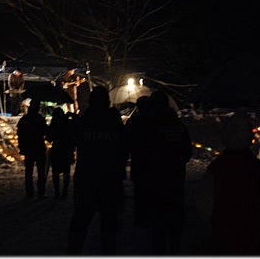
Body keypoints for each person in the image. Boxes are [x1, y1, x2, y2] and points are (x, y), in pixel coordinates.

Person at [126, 91, 192, 255]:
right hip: (175, 181)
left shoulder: (149, 127)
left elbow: (143, 152)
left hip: (156, 183)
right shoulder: (178, 125)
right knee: (175, 225)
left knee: (159, 228)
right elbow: (186, 152)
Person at [66, 86, 125, 254]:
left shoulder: (84, 121)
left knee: (81, 221)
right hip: (109, 180)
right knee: (109, 224)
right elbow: (124, 149)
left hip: (87, 179)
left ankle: (74, 252)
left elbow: (73, 141)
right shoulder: (114, 123)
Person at [206, 111, 260, 255]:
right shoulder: (258, 169)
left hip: (224, 234)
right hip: (254, 236)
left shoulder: (217, 169)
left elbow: (205, 207)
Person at [17, 99, 48, 198]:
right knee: (41, 171)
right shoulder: (40, 119)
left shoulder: (24, 119)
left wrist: (21, 145)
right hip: (38, 146)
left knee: (29, 171)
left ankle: (29, 192)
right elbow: (46, 132)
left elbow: (20, 133)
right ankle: (41, 191)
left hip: (28, 147)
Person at [47, 107, 75, 198]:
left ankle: (57, 192)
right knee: (66, 172)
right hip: (66, 149)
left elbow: (49, 138)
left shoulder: (53, 124)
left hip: (57, 150)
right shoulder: (68, 124)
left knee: (55, 173)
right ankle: (64, 192)